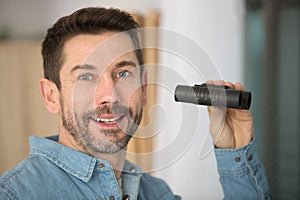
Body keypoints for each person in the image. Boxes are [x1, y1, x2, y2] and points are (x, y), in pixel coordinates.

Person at [0, 7, 271, 200]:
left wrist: (234, 150)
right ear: (51, 96)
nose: (110, 95)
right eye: (86, 76)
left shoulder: (156, 193)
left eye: (122, 73)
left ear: (143, 87)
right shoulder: (15, 194)